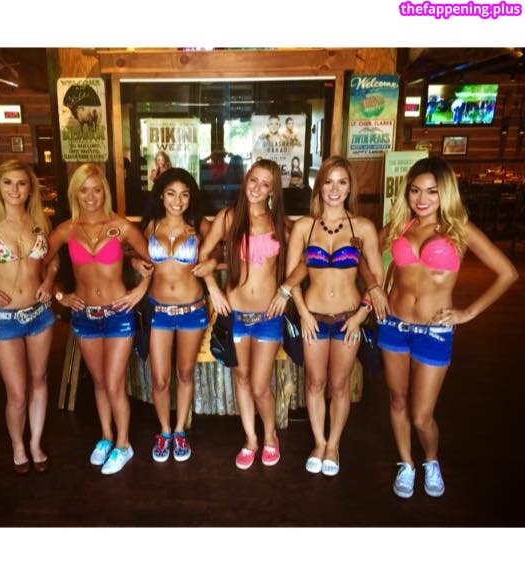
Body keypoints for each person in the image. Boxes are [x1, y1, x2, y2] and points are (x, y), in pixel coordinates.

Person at [374, 157, 518, 499]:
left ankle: (431, 460)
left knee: (421, 415)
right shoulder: (400, 226)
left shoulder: (459, 230)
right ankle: (407, 463)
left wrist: (468, 312)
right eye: (415, 191)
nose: (421, 199)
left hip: (434, 331)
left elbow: (507, 273)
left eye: (432, 192)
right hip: (393, 325)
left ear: (445, 193)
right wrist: (374, 287)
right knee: (397, 399)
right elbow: (365, 251)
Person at [46, 163, 151, 475]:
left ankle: (123, 444)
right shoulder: (66, 230)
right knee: (100, 382)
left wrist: (139, 290)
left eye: (96, 190)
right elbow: (40, 263)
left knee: (114, 383)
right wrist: (59, 295)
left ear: (105, 191)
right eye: (83, 190)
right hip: (84, 316)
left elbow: (155, 260)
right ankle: (106, 437)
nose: (91, 196)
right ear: (74, 193)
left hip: (118, 315)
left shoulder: (122, 226)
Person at [285, 155, 384, 476]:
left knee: (340, 386)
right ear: (319, 186)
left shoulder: (363, 227)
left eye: (342, 182)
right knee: (315, 383)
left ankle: (333, 446)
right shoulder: (304, 226)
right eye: (328, 181)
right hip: (313, 316)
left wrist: (361, 316)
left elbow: (377, 280)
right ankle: (318, 442)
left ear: (350, 187)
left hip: (348, 318)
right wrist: (302, 313)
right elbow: (291, 277)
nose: (334, 189)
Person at [194, 159, 289, 469]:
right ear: (246, 179)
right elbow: (202, 255)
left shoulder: (279, 223)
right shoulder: (229, 217)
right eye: (253, 180)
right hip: (235, 315)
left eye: (265, 184)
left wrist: (285, 292)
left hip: (267, 317)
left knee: (260, 385)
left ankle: (270, 436)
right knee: (242, 378)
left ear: (273, 190)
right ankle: (250, 439)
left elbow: (299, 264)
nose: (257, 188)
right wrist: (213, 288)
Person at [0, 160, 57, 475]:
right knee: (18, 393)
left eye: (21, 183)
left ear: (30, 188)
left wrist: (50, 281)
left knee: (39, 380)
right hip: (4, 318)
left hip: (39, 313)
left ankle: (35, 443)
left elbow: (52, 260)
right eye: (8, 183)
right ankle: (17, 445)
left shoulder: (40, 221)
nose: (15, 189)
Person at [141, 168, 211, 463]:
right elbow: (131, 253)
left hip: (192, 311)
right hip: (158, 311)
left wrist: (212, 265)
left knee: (184, 373)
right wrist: (134, 262)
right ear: (161, 195)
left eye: (184, 195)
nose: (178, 201)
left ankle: (180, 430)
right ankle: (165, 431)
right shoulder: (151, 225)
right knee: (159, 379)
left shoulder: (199, 225)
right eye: (171, 193)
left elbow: (222, 253)